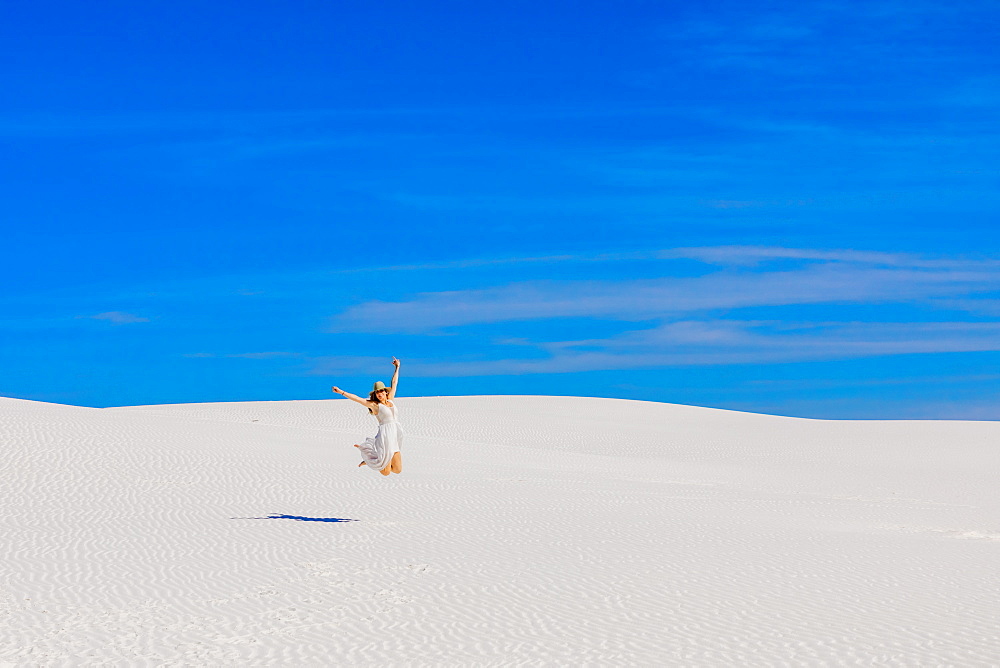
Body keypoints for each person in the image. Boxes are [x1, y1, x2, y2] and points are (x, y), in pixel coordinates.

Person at [331, 357, 403, 476]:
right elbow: (358, 399)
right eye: (377, 392)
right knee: (385, 472)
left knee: (397, 470)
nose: (379, 394)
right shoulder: (375, 406)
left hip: (395, 434)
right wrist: (341, 392)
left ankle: (375, 460)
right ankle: (369, 461)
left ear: (385, 392)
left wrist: (397, 367)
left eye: (381, 391)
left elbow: (394, 383)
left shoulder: (390, 399)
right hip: (385, 436)